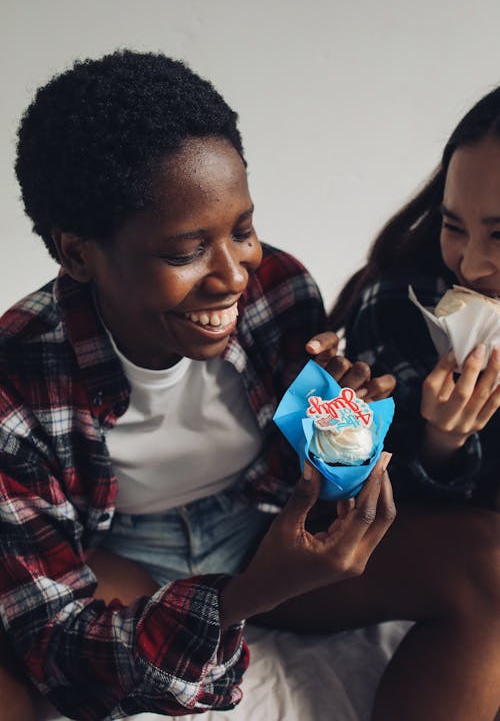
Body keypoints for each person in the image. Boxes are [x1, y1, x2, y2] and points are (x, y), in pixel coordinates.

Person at [0, 50, 395, 721]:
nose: (234, 275)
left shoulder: (278, 288)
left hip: (260, 522)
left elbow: (324, 475)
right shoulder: (16, 383)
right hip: (126, 556)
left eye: (242, 230)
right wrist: (242, 598)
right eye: (185, 252)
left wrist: (349, 436)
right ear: (77, 254)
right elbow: (57, 645)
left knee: (482, 562)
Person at [321, 85, 500, 720]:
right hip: (372, 535)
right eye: (455, 225)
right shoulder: (400, 305)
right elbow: (357, 490)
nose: (473, 263)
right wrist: (443, 442)